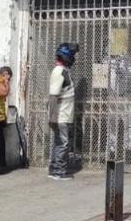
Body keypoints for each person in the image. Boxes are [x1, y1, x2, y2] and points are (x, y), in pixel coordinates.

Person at [47, 43, 78, 180]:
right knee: (63, 144)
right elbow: (53, 95)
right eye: (72, 56)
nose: (74, 59)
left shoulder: (64, 71)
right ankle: (58, 171)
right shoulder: (59, 72)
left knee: (59, 143)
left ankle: (54, 170)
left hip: (64, 115)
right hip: (61, 116)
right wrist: (52, 118)